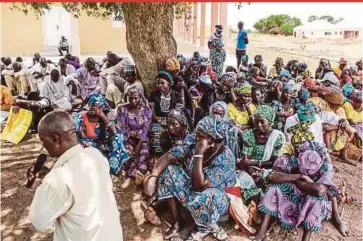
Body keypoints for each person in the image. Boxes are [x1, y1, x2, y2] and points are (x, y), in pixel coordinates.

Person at [29, 111, 123, 241]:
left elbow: (40, 222)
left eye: (43, 141)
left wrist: (47, 183)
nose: (43, 147)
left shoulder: (58, 179)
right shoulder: (95, 155)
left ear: (56, 138)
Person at [143, 116, 236, 241]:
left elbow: (199, 186)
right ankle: (177, 222)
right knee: (169, 170)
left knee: (210, 196)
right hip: (192, 189)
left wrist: (199, 152)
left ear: (211, 139)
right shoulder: (194, 140)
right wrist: (153, 177)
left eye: (199, 135)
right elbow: (169, 156)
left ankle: (189, 226)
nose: (195, 136)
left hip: (212, 200)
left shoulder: (226, 158)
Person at [255, 141, 337, 241]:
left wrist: (298, 181)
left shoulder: (326, 167)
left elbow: (320, 190)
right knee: (275, 188)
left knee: (315, 199)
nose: (305, 172)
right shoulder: (296, 160)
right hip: (295, 195)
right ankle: (263, 230)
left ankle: (305, 238)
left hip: (313, 202)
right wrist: (300, 177)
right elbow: (272, 176)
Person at [73, 93, 130, 175]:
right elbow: (74, 133)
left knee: (118, 137)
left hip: (103, 144)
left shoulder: (106, 116)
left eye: (97, 108)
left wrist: (102, 116)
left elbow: (114, 132)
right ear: (89, 106)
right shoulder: (80, 116)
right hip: (86, 144)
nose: (94, 110)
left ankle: (113, 167)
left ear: (102, 108)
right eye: (92, 106)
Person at [237, 105, 285, 202]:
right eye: (256, 121)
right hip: (250, 169)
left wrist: (256, 164)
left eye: (262, 121)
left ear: (270, 122)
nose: (258, 125)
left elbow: (273, 161)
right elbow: (246, 160)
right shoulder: (249, 134)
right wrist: (253, 173)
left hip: (269, 169)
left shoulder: (276, 137)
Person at [117, 87, 152, 179]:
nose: (133, 100)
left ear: (140, 97)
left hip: (142, 140)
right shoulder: (122, 109)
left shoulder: (146, 110)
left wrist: (138, 145)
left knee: (143, 155)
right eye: (131, 98)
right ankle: (133, 172)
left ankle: (140, 173)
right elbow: (122, 127)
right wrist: (127, 141)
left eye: (136, 98)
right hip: (128, 138)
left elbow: (146, 129)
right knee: (127, 153)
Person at [149, 71, 183, 154]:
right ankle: (157, 156)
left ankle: (173, 155)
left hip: (172, 121)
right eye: (158, 83)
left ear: (169, 83)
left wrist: (169, 122)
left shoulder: (177, 95)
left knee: (175, 134)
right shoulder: (153, 95)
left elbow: (178, 111)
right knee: (156, 132)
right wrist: (156, 119)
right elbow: (151, 110)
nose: (160, 85)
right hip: (158, 120)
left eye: (162, 83)